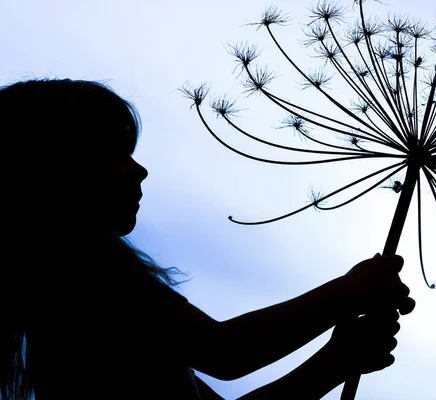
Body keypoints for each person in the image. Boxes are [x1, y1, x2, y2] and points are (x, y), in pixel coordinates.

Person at [0, 78, 415, 400]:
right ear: (58, 165)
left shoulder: (54, 302)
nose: (140, 171)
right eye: (117, 153)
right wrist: (348, 293)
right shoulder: (79, 262)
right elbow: (225, 352)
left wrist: (336, 360)